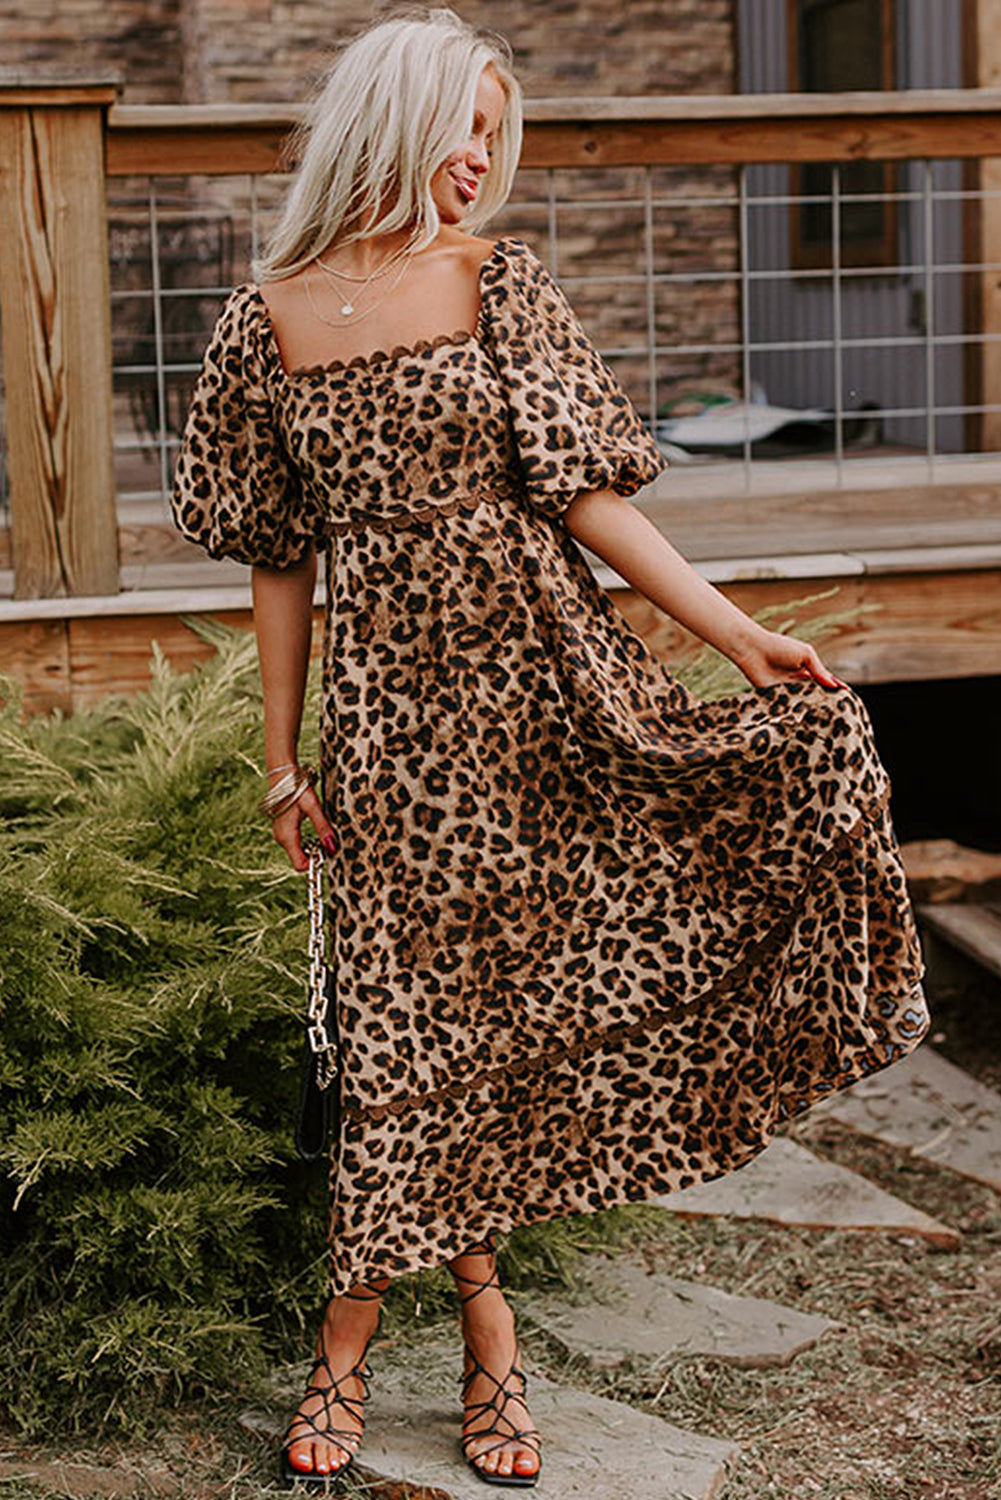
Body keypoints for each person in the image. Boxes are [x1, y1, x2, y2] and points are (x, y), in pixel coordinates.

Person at [170, 5, 930, 1490]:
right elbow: (276, 560)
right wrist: (283, 760)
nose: (478, 157)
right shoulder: (261, 323)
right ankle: (458, 1336)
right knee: (403, 1020)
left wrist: (737, 637)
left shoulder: (496, 281)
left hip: (548, 701)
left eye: (491, 132)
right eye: (459, 126)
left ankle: (408, 1351)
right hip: (393, 728)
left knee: (485, 1017)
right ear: (392, 122)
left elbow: (590, 500)